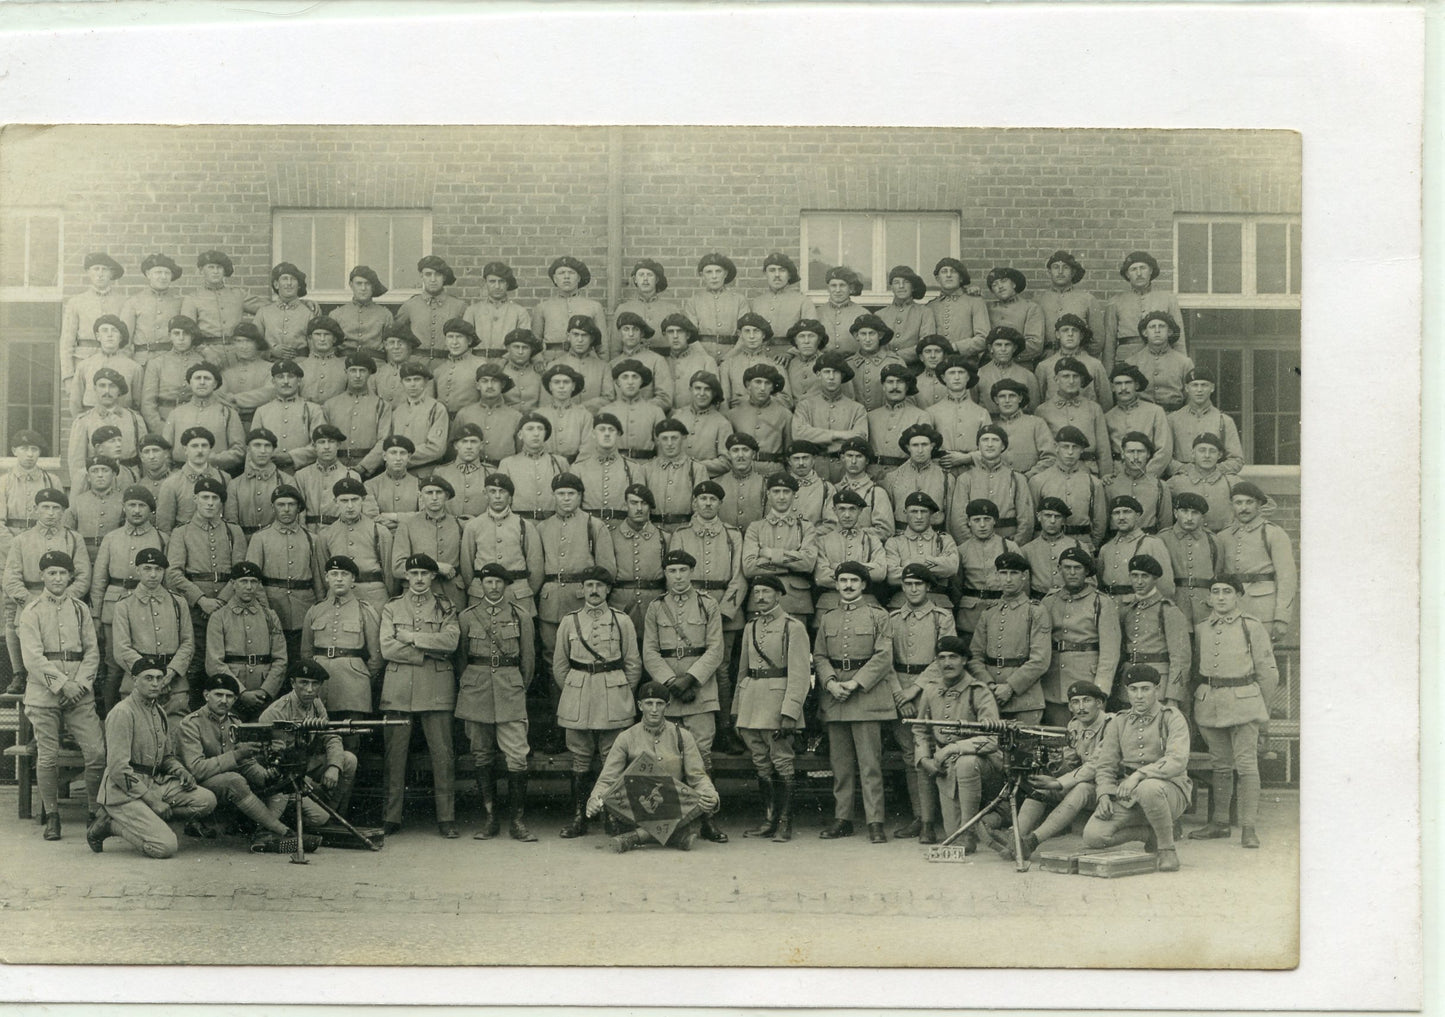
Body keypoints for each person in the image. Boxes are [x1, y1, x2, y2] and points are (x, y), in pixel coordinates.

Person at [16, 549, 106, 841]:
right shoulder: (31, 611)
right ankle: (52, 815)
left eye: (62, 573)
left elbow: (92, 651)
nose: (57, 578)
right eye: (51, 572)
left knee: (96, 754)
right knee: (48, 757)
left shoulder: (80, 609)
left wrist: (78, 684)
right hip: (44, 694)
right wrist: (61, 684)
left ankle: (94, 812)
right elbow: (32, 657)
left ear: (70, 576)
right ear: (42, 576)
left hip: (79, 693)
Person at [641, 549, 728, 843]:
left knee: (701, 756)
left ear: (691, 572)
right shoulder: (655, 607)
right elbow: (650, 651)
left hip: (701, 691)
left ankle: (707, 820)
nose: (677, 577)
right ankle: (671, 821)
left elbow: (715, 649)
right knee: (667, 756)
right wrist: (669, 682)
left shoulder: (708, 605)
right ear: (665, 574)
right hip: (668, 693)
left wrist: (691, 678)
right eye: (672, 571)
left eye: (682, 571)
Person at [1188, 575, 1280, 849]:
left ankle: (1248, 828)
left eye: (1227, 591)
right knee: (1221, 766)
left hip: (1244, 703)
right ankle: (1219, 823)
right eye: (1215, 592)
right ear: (1209, 597)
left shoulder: (1251, 627)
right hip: (1210, 703)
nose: (1220, 597)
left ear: (1238, 595)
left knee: (1248, 766)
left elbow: (1268, 673)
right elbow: (1196, 669)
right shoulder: (1203, 628)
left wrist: (1263, 713)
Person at [176, 672, 313, 853]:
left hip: (229, 783)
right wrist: (237, 755)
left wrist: (265, 775)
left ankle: (264, 835)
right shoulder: (191, 723)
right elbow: (197, 769)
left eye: (229, 696)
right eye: (219, 695)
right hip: (198, 785)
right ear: (206, 695)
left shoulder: (236, 722)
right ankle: (285, 832)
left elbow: (246, 762)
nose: (224, 700)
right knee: (234, 780)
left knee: (278, 781)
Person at [87, 666, 217, 858]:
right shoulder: (122, 712)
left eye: (159, 678)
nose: (155, 683)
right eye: (148, 678)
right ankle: (110, 825)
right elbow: (118, 769)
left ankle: (148, 821)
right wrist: (152, 800)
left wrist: (180, 771)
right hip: (123, 791)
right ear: (134, 679)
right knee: (165, 847)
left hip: (154, 783)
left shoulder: (158, 711)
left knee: (206, 800)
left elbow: (166, 757)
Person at [554, 566, 643, 838]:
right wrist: (574, 690)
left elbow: (633, 664)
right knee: (579, 759)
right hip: (578, 696)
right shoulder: (569, 622)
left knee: (612, 758)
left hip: (613, 696)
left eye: (599, 586)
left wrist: (619, 691)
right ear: (582, 589)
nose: (593, 590)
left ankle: (612, 817)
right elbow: (560, 666)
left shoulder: (621, 620)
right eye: (589, 585)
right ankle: (580, 817)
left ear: (608, 590)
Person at [585, 680, 721, 854]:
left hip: (671, 802)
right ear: (640, 705)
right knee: (609, 796)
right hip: (637, 805)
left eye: (660, 704)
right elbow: (608, 778)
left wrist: (711, 794)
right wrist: (594, 799)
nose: (654, 709)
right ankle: (674, 836)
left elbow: (698, 776)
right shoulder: (626, 737)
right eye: (649, 704)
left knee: (702, 800)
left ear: (668, 706)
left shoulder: (682, 736)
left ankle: (636, 837)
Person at [378, 553, 461, 837]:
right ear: (406, 577)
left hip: (436, 688)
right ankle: (391, 817)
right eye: (414, 574)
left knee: (442, 755)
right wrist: (429, 649)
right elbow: (387, 648)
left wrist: (413, 638)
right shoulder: (392, 607)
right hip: (399, 688)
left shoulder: (445, 607)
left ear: (433, 577)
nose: (419, 579)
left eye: (425, 574)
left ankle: (446, 818)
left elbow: (450, 642)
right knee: (394, 755)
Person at [455, 562, 538, 842]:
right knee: (481, 753)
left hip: (509, 689)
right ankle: (490, 818)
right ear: (480, 585)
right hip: (476, 689)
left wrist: (517, 686)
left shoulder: (520, 616)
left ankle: (517, 821)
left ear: (506, 585)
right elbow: (460, 660)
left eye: (498, 582)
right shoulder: (467, 617)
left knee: (516, 754)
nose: (493, 587)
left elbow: (528, 661)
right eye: (488, 582)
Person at [813, 561, 895, 844]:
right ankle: (843, 818)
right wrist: (831, 683)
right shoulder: (828, 618)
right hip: (836, 698)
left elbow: (883, 656)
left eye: (854, 581)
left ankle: (875, 821)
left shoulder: (878, 616)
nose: (848, 586)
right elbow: (820, 656)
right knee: (841, 765)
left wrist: (855, 683)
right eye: (843, 580)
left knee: (870, 765)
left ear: (863, 585)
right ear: (835, 584)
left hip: (866, 696)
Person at [1082, 663, 1192, 872]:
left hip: (1170, 791)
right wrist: (1104, 794)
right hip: (1130, 796)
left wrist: (1139, 776)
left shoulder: (1171, 716)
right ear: (1127, 692)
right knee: (1093, 836)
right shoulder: (1119, 721)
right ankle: (1151, 834)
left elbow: (1177, 759)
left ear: (1157, 690)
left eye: (1145, 689)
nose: (1139, 695)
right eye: (1133, 689)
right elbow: (1106, 765)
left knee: (1148, 787)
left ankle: (1167, 849)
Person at [670, 480, 749, 755]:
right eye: (702, 499)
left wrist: (726, 610)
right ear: (694, 503)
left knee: (722, 670)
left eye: (712, 500)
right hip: (689, 610)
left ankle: (724, 730)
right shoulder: (680, 534)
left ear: (719, 504)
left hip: (724, 607)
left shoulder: (732, 535)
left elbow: (739, 576)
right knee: (690, 665)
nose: (707, 504)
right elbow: (674, 572)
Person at [912, 636, 1003, 851]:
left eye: (953, 657)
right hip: (944, 766)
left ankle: (971, 831)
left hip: (981, 763)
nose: (947, 663)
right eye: (941, 658)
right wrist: (925, 759)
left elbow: (992, 739)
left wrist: (954, 748)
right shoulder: (931, 690)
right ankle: (979, 824)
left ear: (964, 660)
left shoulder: (978, 691)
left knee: (965, 762)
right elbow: (920, 730)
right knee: (952, 833)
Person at [887, 562, 957, 842]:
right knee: (910, 756)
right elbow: (885, 661)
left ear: (929, 587)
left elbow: (945, 657)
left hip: (933, 691)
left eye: (919, 584)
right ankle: (920, 817)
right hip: (901, 692)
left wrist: (914, 689)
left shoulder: (942, 617)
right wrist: (898, 694)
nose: (913, 589)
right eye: (908, 584)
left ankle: (945, 816)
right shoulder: (892, 619)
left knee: (939, 749)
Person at [3, 488, 91, 695]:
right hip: (30, 601)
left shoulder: (73, 539)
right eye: (45, 508)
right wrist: (32, 603)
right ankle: (21, 675)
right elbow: (11, 579)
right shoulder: (21, 540)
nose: (51, 513)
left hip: (66, 602)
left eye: (56, 508)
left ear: (63, 512)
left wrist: (64, 600)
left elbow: (83, 576)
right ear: (35, 510)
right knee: (25, 635)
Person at [1014, 679, 1114, 858]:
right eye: (1075, 702)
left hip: (1110, 788)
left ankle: (1033, 841)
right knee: (1040, 787)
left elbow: (1096, 765)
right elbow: (1071, 762)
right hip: (1085, 782)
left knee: (1081, 788)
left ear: (1099, 703)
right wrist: (1055, 763)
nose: (1081, 707)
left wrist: (1058, 783)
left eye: (1086, 700)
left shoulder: (1111, 724)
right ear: (1069, 706)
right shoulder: (1074, 725)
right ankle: (1015, 837)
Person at [165, 477, 246, 693]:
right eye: (205, 497)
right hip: (195, 610)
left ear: (221, 503)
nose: (210, 503)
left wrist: (220, 601)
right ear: (195, 499)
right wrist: (201, 600)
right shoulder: (181, 532)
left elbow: (240, 572)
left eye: (215, 498)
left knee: (227, 655)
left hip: (228, 605)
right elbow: (173, 572)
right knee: (197, 658)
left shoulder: (233, 532)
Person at [89, 485, 166, 713]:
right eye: (131, 505)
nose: (136, 510)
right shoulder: (112, 538)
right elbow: (99, 579)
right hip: (114, 606)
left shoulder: (161, 538)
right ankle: (110, 717)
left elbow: (166, 579)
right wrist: (95, 615)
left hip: (149, 605)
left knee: (144, 661)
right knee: (113, 665)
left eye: (142, 506)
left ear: (151, 510)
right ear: (124, 507)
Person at [258, 658, 359, 825]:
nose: (309, 689)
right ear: (292, 683)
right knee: (274, 821)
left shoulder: (316, 704)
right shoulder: (277, 712)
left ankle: (330, 813)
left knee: (348, 760)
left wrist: (334, 766)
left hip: (303, 767)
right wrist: (303, 779)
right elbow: (274, 757)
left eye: (315, 683)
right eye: (303, 683)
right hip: (280, 775)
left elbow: (331, 736)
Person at [1038, 548, 1121, 727]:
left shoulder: (1101, 603)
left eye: (1078, 568)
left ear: (1087, 572)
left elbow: (1110, 653)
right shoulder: (1049, 601)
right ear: (1059, 569)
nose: (1072, 573)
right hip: (1053, 683)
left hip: (1087, 683)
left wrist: (1100, 691)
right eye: (1067, 568)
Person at [968, 552, 1052, 724]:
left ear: (1024, 577)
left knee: (1024, 750)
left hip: (1025, 700)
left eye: (1013, 573)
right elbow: (974, 656)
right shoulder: (988, 612)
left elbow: (1040, 660)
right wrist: (988, 685)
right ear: (997, 576)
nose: (1008, 579)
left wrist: (1010, 687)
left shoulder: (1036, 611)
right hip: (990, 699)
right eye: (1003, 573)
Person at [110, 547, 195, 717]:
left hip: (174, 685)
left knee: (176, 733)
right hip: (136, 684)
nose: (153, 575)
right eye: (147, 569)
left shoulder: (178, 602)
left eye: (158, 569)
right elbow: (121, 649)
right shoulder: (124, 605)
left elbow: (188, 643)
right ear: (138, 570)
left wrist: (170, 673)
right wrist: (149, 675)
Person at [246, 485, 325, 665]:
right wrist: (266, 609)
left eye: (291, 504)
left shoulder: (312, 539)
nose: (286, 509)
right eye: (281, 504)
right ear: (273, 507)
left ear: (299, 508)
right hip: (272, 607)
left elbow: (318, 579)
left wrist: (319, 608)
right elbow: (253, 578)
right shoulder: (260, 538)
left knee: (301, 658)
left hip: (303, 609)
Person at [301, 555, 384, 722]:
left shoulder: (364, 610)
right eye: (334, 574)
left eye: (344, 574)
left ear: (353, 578)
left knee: (351, 738)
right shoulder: (315, 610)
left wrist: (361, 678)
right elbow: (306, 652)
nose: (339, 579)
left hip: (353, 686)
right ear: (326, 578)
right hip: (320, 685)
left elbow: (376, 656)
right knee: (317, 733)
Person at [203, 560, 287, 720]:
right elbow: (214, 662)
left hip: (264, 697)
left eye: (253, 582)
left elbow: (280, 659)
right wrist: (240, 692)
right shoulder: (219, 617)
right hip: (230, 696)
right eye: (243, 581)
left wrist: (266, 691)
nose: (249, 587)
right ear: (233, 584)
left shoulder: (270, 616)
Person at [1218, 482, 1297, 642]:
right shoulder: (1223, 536)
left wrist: (1282, 617)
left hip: (1263, 610)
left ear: (1259, 504)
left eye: (1249, 502)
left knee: (1262, 661)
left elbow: (1287, 578)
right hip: (1231, 609)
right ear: (1231, 505)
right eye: (1238, 503)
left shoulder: (1273, 533)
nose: (1244, 508)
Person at [459, 472, 543, 614]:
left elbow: (536, 568)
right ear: (485, 494)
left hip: (517, 596)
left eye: (502, 492)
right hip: (481, 595)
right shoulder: (473, 526)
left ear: (510, 497)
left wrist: (524, 592)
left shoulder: (524, 525)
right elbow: (466, 566)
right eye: (492, 491)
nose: (497, 496)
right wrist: (476, 589)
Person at [1117, 554, 1192, 710]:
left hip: (1158, 685)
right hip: (1130, 682)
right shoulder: (1126, 608)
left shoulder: (1168, 610)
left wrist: (1173, 696)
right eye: (1134, 576)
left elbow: (1180, 657)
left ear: (1155, 579)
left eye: (1145, 576)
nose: (1139, 581)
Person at [742, 473, 818, 626]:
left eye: (786, 492)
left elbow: (808, 563)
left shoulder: (805, 527)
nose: (781, 497)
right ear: (768, 495)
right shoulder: (755, 527)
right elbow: (749, 567)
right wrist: (792, 562)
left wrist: (770, 554)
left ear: (794, 495)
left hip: (796, 602)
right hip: (761, 600)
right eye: (776, 492)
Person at [317, 477, 395, 613]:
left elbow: (389, 573)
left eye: (354, 500)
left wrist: (391, 601)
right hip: (340, 598)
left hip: (375, 598)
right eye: (344, 500)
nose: (350, 506)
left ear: (363, 500)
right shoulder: (326, 535)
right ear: (336, 502)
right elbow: (322, 574)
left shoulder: (379, 531)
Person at [948, 424, 1035, 544]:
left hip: (1009, 544)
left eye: (995, 440)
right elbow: (958, 521)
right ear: (978, 446)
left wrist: (1013, 548)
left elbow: (1026, 521)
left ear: (1003, 446)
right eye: (984, 440)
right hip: (974, 544)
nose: (989, 444)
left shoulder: (1017, 479)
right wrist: (972, 547)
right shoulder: (965, 479)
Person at [791, 351, 868, 483]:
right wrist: (839, 435)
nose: (831, 377)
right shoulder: (805, 405)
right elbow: (798, 434)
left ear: (842, 375)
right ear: (818, 374)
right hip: (813, 468)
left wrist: (815, 436)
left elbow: (860, 438)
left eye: (836, 372)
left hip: (845, 469)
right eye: (827, 372)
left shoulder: (856, 408)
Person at [1027, 426, 1108, 550]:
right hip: (1048, 546)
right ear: (1056, 447)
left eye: (1075, 447)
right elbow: (1032, 519)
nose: (1070, 452)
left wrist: (1090, 545)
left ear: (1081, 450)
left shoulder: (1093, 483)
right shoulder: (1038, 481)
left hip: (1082, 544)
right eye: (1065, 446)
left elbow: (1100, 522)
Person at [1105, 251, 1187, 369]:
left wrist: (1182, 369)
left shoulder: (1168, 299)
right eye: (1133, 270)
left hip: (1161, 360)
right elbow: (1109, 342)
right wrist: (1109, 375)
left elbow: (1179, 339)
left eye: (1143, 268)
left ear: (1151, 271)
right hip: (1127, 360)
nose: (1139, 273)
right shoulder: (1115, 302)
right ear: (1127, 275)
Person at [813, 489, 888, 615]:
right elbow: (821, 577)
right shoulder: (823, 541)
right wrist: (863, 570)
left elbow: (880, 573)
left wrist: (836, 567)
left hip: (866, 604)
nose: (847, 515)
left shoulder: (872, 540)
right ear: (834, 511)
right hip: (830, 605)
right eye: (842, 509)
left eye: (852, 509)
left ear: (860, 511)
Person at [60, 252, 127, 393]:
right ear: (88, 273)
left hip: (115, 362)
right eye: (96, 269)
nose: (100, 274)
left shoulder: (123, 302)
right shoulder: (76, 302)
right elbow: (67, 342)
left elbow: (128, 340)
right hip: (84, 362)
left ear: (111, 274)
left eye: (105, 269)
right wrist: (68, 376)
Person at [882, 491, 958, 610]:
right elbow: (891, 576)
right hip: (902, 604)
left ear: (931, 514)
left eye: (923, 512)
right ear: (905, 513)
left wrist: (911, 564)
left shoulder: (944, 540)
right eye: (914, 511)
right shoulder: (894, 542)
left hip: (938, 603)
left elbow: (951, 567)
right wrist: (935, 566)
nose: (919, 517)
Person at [1158, 492, 1223, 627]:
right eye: (1184, 511)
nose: (1189, 517)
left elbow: (1218, 573)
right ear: (1176, 513)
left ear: (1203, 517)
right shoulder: (1162, 539)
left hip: (1204, 606)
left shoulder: (1213, 540)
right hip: (1175, 603)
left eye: (1195, 513)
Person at [608, 485, 666, 633]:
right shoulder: (610, 536)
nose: (639, 508)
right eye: (634, 503)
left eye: (644, 503)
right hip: (619, 604)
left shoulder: (664, 537)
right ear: (625, 505)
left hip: (654, 604)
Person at [121, 253, 195, 367]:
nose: (163, 277)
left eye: (167, 273)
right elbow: (125, 340)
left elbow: (187, 337)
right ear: (148, 274)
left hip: (171, 362)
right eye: (158, 272)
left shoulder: (180, 302)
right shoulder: (133, 302)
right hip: (141, 361)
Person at [1097, 496, 1176, 603]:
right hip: (1111, 609)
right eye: (1116, 513)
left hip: (1139, 608)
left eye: (1127, 512)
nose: (1121, 517)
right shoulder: (1106, 549)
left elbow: (1165, 587)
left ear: (1137, 515)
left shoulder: (1152, 543)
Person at [1167, 367, 1244, 476]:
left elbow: (1237, 459)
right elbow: (1165, 457)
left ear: (1212, 388)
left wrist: (1212, 471)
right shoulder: (1173, 419)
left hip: (1215, 479)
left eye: (1204, 385)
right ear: (1187, 388)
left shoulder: (1224, 421)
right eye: (1195, 385)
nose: (1199, 390)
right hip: (1183, 477)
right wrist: (1184, 469)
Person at [394, 256, 468, 365]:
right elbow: (396, 336)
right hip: (416, 366)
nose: (433, 279)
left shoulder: (459, 306)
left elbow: (467, 340)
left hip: (448, 365)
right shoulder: (410, 305)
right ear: (421, 276)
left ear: (444, 277)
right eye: (428, 274)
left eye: (437, 274)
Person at [1034, 251, 1107, 359]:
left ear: (1073, 272)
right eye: (1055, 267)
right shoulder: (1038, 300)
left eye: (1065, 267)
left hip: (1078, 358)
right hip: (1047, 357)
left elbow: (1097, 339)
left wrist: (1083, 358)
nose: (1060, 271)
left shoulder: (1087, 299)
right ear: (1049, 272)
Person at [139, 315, 206, 433]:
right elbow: (148, 403)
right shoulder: (156, 363)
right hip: (165, 418)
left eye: (186, 333)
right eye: (176, 333)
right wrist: (160, 428)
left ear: (192, 336)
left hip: (196, 420)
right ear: (170, 336)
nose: (181, 338)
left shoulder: (202, 362)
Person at [533, 256, 608, 361]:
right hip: (552, 360)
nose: (566, 277)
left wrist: (603, 366)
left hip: (585, 360)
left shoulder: (594, 307)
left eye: (571, 273)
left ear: (578, 278)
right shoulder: (543, 307)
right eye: (561, 273)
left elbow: (602, 346)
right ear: (555, 279)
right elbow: (535, 343)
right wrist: (539, 362)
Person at [573, 415, 642, 528]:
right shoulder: (579, 468)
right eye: (602, 429)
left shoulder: (633, 468)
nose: (607, 433)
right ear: (593, 434)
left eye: (611, 430)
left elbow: (639, 507)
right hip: (589, 529)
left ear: (618, 434)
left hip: (622, 530)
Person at [223, 429, 296, 537]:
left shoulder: (286, 481)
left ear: (273, 450)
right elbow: (231, 525)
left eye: (267, 446)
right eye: (257, 445)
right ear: (248, 449)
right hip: (245, 543)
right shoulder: (235, 484)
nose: (262, 451)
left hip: (276, 542)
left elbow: (295, 520)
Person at [498, 413, 570, 521]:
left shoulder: (560, 462)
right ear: (520, 435)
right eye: (530, 429)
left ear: (545, 434)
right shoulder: (508, 464)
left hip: (553, 523)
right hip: (520, 523)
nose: (536, 433)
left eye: (540, 429)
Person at [644, 419, 712, 532]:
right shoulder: (646, 469)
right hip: (653, 531)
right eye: (664, 439)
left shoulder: (697, 469)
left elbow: (701, 506)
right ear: (658, 441)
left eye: (674, 438)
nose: (669, 443)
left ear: (683, 439)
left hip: (685, 530)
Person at [450, 363, 523, 468]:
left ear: (502, 385)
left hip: (503, 471)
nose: (489, 386)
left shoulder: (516, 417)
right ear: (477, 385)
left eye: (494, 381)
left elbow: (520, 453)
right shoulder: (464, 414)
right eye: (484, 381)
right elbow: (453, 450)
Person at [156, 427, 229, 532]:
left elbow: (229, 520)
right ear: (185, 450)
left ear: (210, 449)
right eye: (194, 446)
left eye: (204, 446)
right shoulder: (171, 483)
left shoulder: (224, 479)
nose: (200, 450)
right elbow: (164, 527)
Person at [1105, 364, 1172, 477]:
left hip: (1149, 474)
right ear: (1112, 387)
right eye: (1118, 384)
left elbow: (1164, 450)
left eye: (1128, 383)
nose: (1123, 388)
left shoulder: (1155, 412)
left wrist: (1146, 475)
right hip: (1119, 476)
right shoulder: (1108, 417)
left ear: (1136, 385)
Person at [928, 356, 992, 473]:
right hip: (941, 471)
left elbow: (991, 448)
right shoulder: (932, 412)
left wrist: (967, 458)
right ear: (943, 377)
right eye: (952, 373)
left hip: (973, 471)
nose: (957, 377)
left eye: (961, 373)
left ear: (968, 377)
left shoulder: (981, 412)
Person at [71, 315, 143, 417]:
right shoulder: (84, 366)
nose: (109, 335)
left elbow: (137, 405)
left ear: (120, 337)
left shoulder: (134, 368)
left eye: (114, 331)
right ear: (98, 336)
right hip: (92, 422)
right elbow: (75, 403)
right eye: (104, 330)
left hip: (121, 420)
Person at [1021, 496, 1093, 598]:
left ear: (1063, 520)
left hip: (1071, 601)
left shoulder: (1079, 546)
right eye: (1048, 515)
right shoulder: (1027, 550)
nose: (1052, 521)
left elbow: (1091, 582)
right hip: (1039, 602)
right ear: (1038, 517)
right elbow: (1023, 585)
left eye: (1057, 516)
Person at [724, 361, 792, 467]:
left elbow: (789, 453)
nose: (762, 388)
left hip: (774, 470)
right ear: (748, 385)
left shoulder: (785, 415)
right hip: (743, 470)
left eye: (767, 383)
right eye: (758, 382)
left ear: (773, 387)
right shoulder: (733, 415)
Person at [883, 424, 950, 531]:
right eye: (915, 445)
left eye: (924, 445)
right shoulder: (892, 477)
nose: (920, 450)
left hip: (935, 536)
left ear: (932, 446)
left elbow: (950, 517)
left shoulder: (946, 477)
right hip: (902, 537)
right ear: (908, 447)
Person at [683, 252, 750, 359]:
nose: (714, 276)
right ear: (702, 276)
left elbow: (745, 333)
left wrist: (729, 357)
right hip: (702, 356)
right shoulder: (694, 301)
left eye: (718, 271)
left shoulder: (739, 300)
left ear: (725, 274)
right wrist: (706, 359)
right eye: (709, 272)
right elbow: (690, 336)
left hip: (733, 356)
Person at [388, 360, 451, 472]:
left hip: (426, 472)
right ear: (402, 383)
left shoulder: (436, 408)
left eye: (417, 379)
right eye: (408, 380)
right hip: (399, 474)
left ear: (425, 382)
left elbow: (436, 449)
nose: (412, 384)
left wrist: (401, 456)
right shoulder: (397, 411)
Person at [720, 314, 794, 411]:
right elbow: (723, 401)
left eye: (756, 331)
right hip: (737, 419)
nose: (752, 336)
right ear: (739, 334)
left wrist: (753, 399)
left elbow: (787, 401)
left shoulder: (775, 364)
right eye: (747, 331)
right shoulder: (728, 365)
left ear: (763, 335)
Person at [867, 363, 931, 473]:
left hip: (905, 473)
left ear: (907, 386)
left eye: (900, 382)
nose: (895, 387)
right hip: (873, 474)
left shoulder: (920, 416)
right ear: (883, 386)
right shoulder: (870, 416)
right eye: (890, 382)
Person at [1167, 434, 1238, 533]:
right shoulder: (1176, 482)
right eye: (1202, 450)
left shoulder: (1231, 481)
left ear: (1219, 455)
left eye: (1212, 451)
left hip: (1223, 539)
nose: (1207, 455)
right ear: (1193, 454)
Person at [190, 250, 264, 345]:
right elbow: (188, 332)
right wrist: (204, 350)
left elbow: (268, 309)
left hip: (236, 350)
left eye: (219, 267)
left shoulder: (238, 295)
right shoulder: (193, 298)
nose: (215, 271)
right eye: (211, 267)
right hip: (207, 351)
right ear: (201, 270)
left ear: (224, 271)